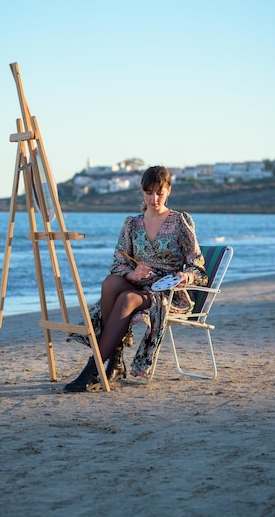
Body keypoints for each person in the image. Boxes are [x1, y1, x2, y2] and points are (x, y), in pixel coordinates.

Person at [64, 165, 208, 392]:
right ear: (142, 192)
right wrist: (132, 273)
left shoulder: (180, 222)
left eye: (160, 192)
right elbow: (117, 263)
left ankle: (95, 368)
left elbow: (199, 269)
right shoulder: (132, 224)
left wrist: (184, 276)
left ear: (168, 190)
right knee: (111, 283)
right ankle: (115, 361)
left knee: (126, 299)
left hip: (166, 292)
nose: (154, 198)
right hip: (137, 283)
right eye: (149, 192)